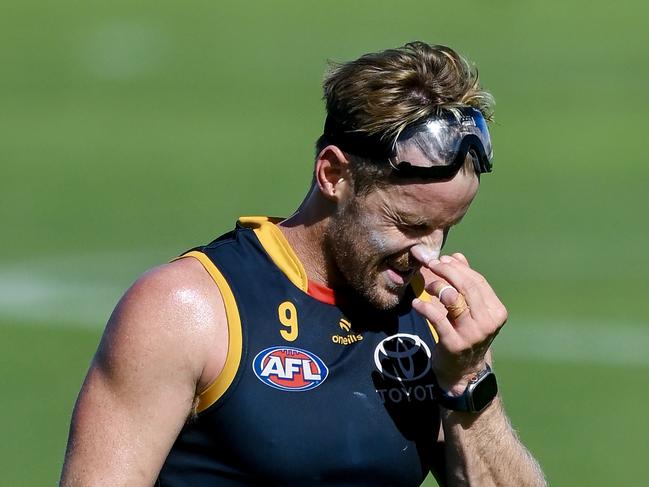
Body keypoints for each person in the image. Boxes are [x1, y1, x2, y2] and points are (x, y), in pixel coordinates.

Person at [60, 41, 546, 486]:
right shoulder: (189, 309)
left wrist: (468, 379)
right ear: (333, 174)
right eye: (410, 224)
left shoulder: (434, 319)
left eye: (448, 227)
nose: (430, 254)